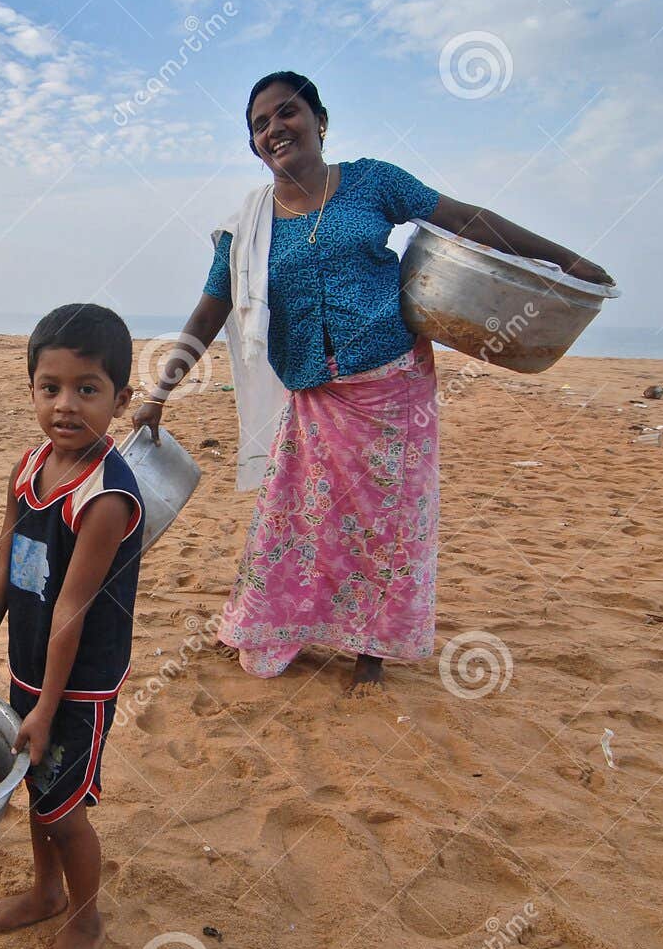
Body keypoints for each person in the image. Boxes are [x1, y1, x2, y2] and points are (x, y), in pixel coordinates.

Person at [134, 70, 614, 689]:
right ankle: (278, 629)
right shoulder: (245, 229)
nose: (275, 129)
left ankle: (372, 651)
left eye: (287, 113)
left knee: (388, 523)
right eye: (260, 125)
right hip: (312, 396)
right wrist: (159, 391)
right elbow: (208, 312)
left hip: (394, 388)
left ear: (320, 120)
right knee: (295, 521)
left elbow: (466, 220)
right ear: (253, 145)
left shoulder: (371, 182)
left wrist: (561, 261)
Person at [0, 304, 144, 949]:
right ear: (30, 387)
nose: (66, 405)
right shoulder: (30, 465)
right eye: (50, 386)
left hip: (78, 682)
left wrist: (47, 707)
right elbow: (3, 560)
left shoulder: (105, 496)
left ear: (120, 399)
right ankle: (45, 891)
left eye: (87, 389)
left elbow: (73, 605)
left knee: (65, 807)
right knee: (38, 788)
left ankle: (85, 918)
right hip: (32, 667)